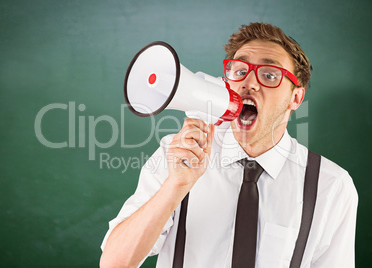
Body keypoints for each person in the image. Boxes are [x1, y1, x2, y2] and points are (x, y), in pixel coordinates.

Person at [99, 22, 358, 268]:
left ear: (296, 97)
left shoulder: (331, 186)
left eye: (270, 74)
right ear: (227, 81)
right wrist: (175, 186)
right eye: (239, 70)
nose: (249, 82)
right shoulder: (176, 154)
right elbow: (113, 263)